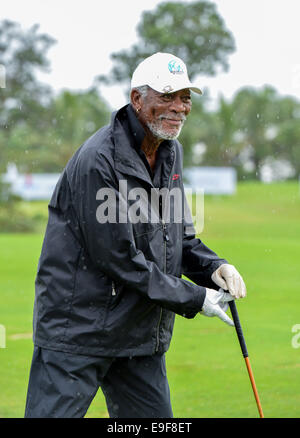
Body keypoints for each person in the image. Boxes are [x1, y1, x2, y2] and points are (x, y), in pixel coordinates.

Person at [24, 52, 246, 418]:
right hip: (77, 332)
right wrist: (195, 298)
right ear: (138, 99)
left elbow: (179, 238)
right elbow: (118, 259)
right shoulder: (99, 160)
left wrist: (214, 267)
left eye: (185, 98)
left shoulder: (170, 152)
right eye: (167, 96)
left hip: (137, 336)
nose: (179, 107)